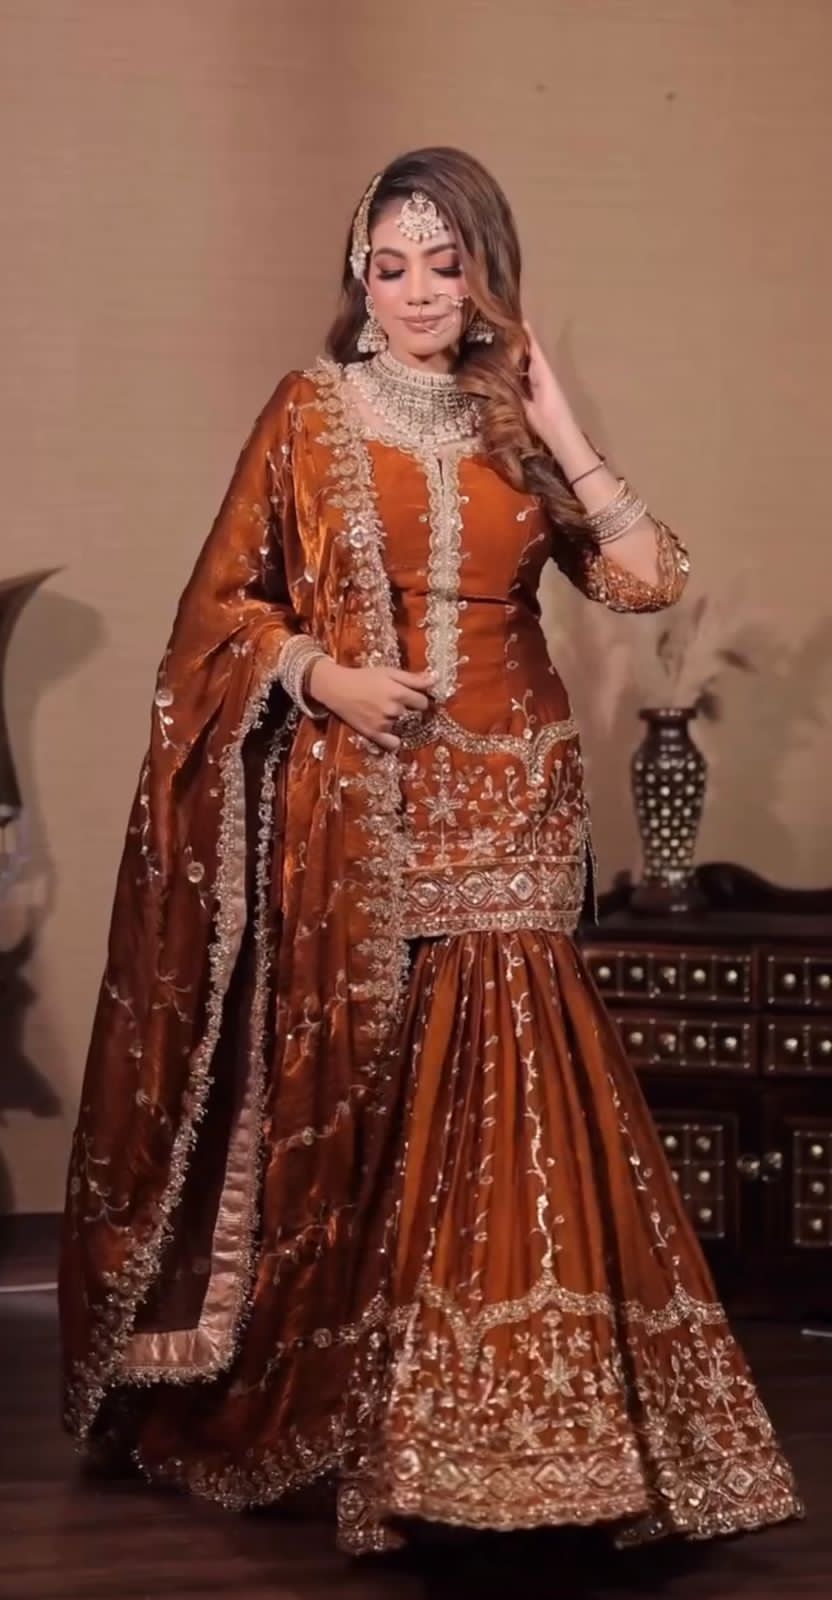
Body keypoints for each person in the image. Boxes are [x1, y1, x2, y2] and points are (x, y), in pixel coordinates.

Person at [59, 146, 802, 1556]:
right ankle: (380, 1421)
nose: (413, 292)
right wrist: (323, 677)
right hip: (368, 806)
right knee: (385, 1097)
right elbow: (216, 616)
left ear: (484, 274)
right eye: (388, 266)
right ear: (359, 276)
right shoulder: (310, 411)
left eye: (443, 265)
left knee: (519, 1081)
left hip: (518, 793)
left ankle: (538, 1435)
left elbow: (647, 578)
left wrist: (558, 416)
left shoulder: (510, 422)